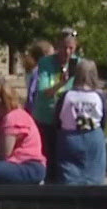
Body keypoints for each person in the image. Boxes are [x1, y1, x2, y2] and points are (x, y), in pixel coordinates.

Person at [29, 28, 81, 183]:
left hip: (66, 121)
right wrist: (63, 82)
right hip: (46, 118)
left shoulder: (78, 64)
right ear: (57, 46)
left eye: (71, 48)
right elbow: (44, 91)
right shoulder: (46, 63)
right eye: (63, 47)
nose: (67, 51)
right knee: (47, 158)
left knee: (63, 161)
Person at [0, 76, 46, 185]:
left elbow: (5, 153)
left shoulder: (13, 117)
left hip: (30, 166)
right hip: (14, 164)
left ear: (1, 99)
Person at [54, 58, 107, 185]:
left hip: (69, 137)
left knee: (69, 177)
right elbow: (104, 119)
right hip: (93, 136)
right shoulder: (99, 97)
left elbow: (57, 119)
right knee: (94, 178)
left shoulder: (66, 96)